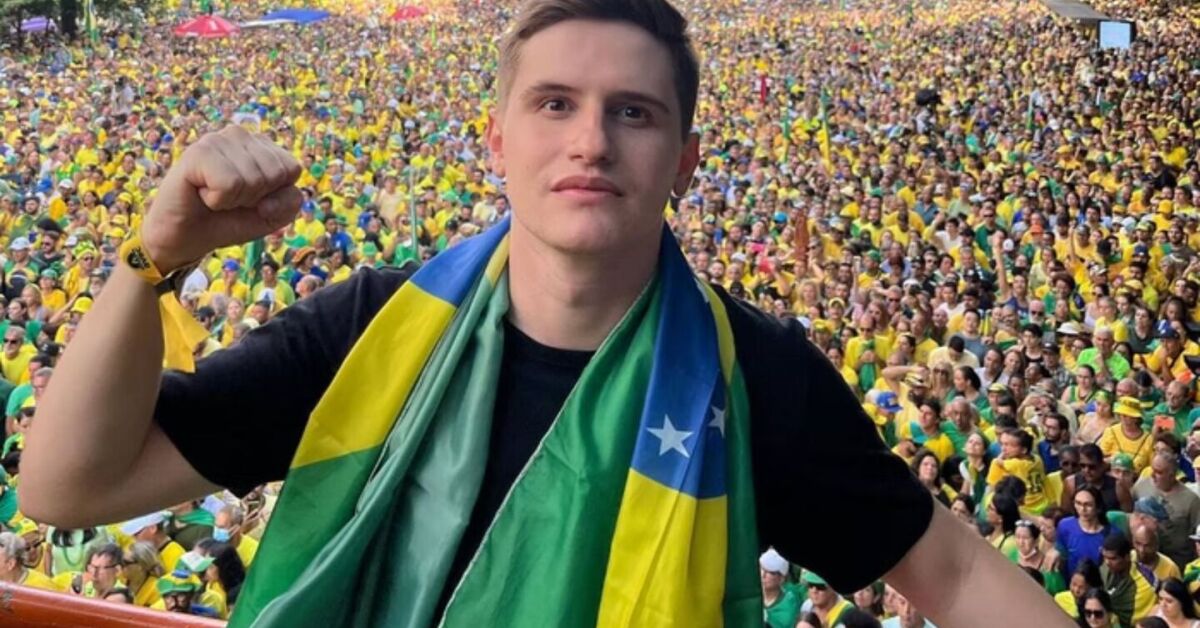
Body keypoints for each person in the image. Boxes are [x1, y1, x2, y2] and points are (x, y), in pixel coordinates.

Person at [21, 1, 1068, 626]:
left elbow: (953, 570)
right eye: (555, 103)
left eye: (634, 112)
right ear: (497, 141)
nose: (591, 142)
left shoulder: (757, 376)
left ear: (684, 160)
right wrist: (153, 261)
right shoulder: (374, 327)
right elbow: (68, 485)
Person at [1132, 453, 1200, 568]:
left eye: (1158, 472)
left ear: (1172, 475)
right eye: (1152, 469)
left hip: (1176, 561)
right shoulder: (1141, 486)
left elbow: (1197, 534)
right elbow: (1129, 513)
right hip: (1145, 557)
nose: (1152, 475)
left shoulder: (1191, 500)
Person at [1059, 487, 1113, 576]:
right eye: (1078, 503)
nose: (1082, 509)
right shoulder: (1065, 526)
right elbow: (1062, 555)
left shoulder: (1112, 534)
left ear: (1098, 506)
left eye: (1088, 505)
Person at [759, 548, 800, 628]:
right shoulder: (751, 596)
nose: (763, 575)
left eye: (770, 572)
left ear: (781, 579)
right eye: (762, 568)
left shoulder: (789, 606)